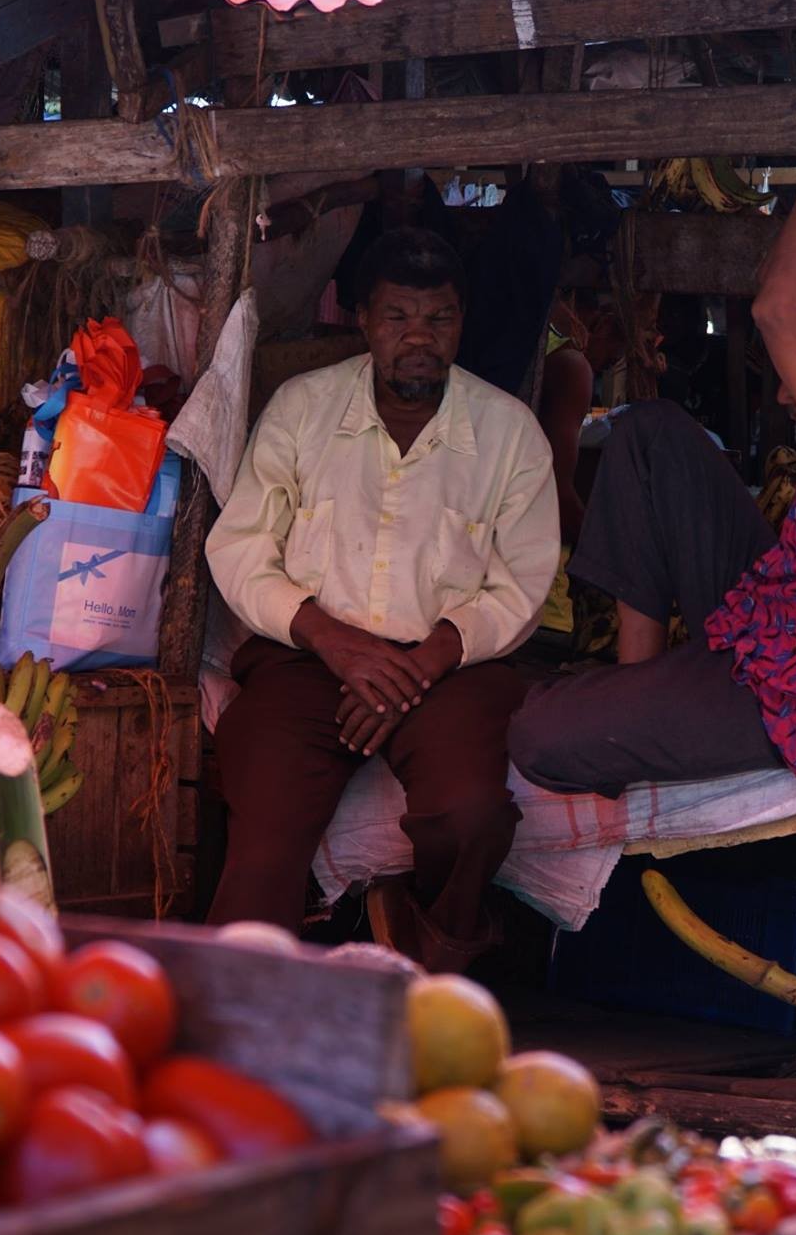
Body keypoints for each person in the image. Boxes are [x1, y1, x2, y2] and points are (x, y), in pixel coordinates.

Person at [508, 69, 796, 797]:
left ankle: (637, 719)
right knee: (651, 434)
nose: (789, 393)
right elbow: (787, 279)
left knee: (536, 734)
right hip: (783, 614)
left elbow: (779, 310)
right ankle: (647, 690)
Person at [204, 228, 559, 969]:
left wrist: (418, 667)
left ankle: (426, 969)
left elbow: (523, 584)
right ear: (361, 318)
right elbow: (237, 547)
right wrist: (338, 643)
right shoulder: (303, 410)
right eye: (398, 317)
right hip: (310, 659)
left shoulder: (509, 434)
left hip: (449, 669)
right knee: (263, 810)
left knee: (472, 816)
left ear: (463, 321)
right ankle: (240, 1013)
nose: (419, 338)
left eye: (440, 318)